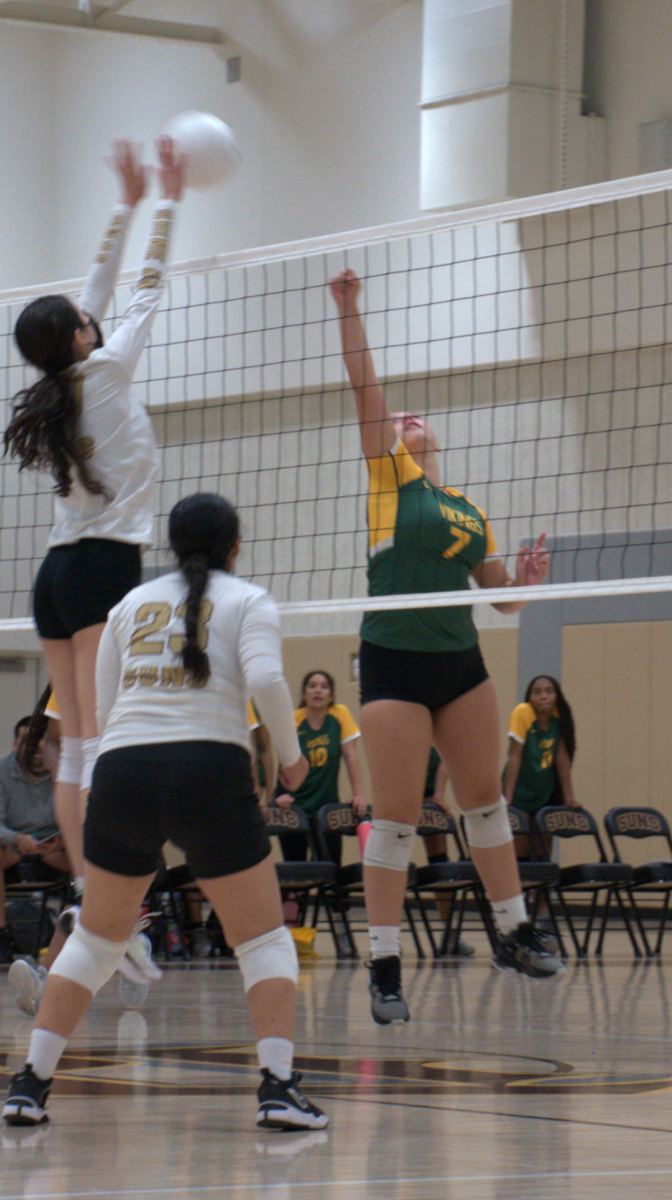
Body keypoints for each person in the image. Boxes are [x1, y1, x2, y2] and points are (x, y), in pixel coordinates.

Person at [3, 493, 328, 1132]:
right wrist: (292, 762)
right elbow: (265, 680)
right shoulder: (249, 601)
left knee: (97, 941)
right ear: (235, 546)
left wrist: (101, 797)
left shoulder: (125, 606)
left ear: (170, 549)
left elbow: (99, 715)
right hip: (208, 769)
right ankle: (279, 1088)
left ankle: (29, 1085)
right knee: (262, 939)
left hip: (123, 773)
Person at [328, 268, 564, 1025]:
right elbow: (364, 386)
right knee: (397, 819)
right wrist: (350, 309)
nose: (407, 419)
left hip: (460, 664)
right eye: (399, 419)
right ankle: (386, 962)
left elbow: (495, 595)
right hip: (394, 659)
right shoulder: (388, 480)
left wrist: (522, 582)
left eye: (414, 419)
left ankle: (511, 929)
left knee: (485, 805)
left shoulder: (466, 508)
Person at [3, 138, 185, 974]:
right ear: (76, 339)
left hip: (55, 576)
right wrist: (168, 204)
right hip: (105, 568)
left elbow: (96, 287)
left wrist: (124, 200)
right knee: (99, 747)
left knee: (77, 748)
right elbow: (140, 289)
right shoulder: (106, 369)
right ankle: (114, 919)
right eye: (83, 320)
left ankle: (93, 910)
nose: (93, 316)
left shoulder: (58, 380)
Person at [8, 688, 161, 1017]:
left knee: (92, 900)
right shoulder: (71, 675)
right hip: (85, 798)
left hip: (130, 789)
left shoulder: (134, 673)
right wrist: (63, 776)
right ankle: (127, 948)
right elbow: (51, 740)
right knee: (87, 899)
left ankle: (54, 977)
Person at [0, 716, 70, 964]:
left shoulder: (67, 774)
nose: (37, 751)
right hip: (13, 845)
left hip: (55, 847)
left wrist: (61, 842)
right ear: (15, 745)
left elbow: (81, 817)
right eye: (30, 744)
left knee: (92, 853)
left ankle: (79, 931)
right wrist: (16, 839)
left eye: (43, 745)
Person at [274, 670, 367, 866]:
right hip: (294, 805)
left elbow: (350, 756)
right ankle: (292, 897)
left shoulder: (339, 715)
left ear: (331, 695)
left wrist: (358, 794)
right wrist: (280, 794)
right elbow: (284, 763)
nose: (318, 691)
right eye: (312, 686)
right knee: (296, 871)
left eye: (324, 687)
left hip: (326, 807)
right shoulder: (294, 719)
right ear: (304, 693)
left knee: (331, 867)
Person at [504, 674, 578, 864]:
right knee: (521, 856)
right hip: (520, 793)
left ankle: (541, 895)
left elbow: (561, 757)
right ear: (529, 697)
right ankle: (520, 893)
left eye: (548, 691)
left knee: (542, 857)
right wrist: (508, 800)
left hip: (544, 793)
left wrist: (569, 797)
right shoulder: (523, 712)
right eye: (537, 692)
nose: (543, 696)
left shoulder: (558, 714)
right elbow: (514, 757)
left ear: (556, 695)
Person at [419, 747, 475, 957]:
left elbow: (446, 757)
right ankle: (389, 936)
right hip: (403, 793)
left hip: (430, 793)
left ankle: (450, 932)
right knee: (396, 864)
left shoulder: (438, 723)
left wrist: (438, 796)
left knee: (440, 862)